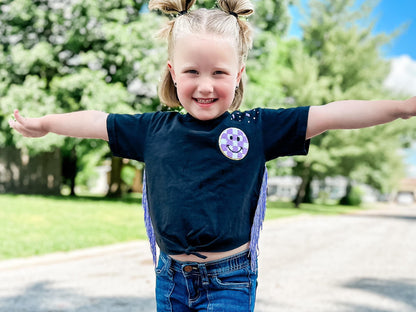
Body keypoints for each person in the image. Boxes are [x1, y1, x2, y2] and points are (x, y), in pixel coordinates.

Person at [8, 0, 416, 311]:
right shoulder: (152, 129)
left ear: (238, 73)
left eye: (219, 73)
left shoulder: (256, 128)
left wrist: (400, 107)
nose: (205, 86)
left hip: (230, 280)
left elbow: (331, 114)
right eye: (192, 72)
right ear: (172, 71)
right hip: (170, 279)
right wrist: (47, 123)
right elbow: (95, 121)